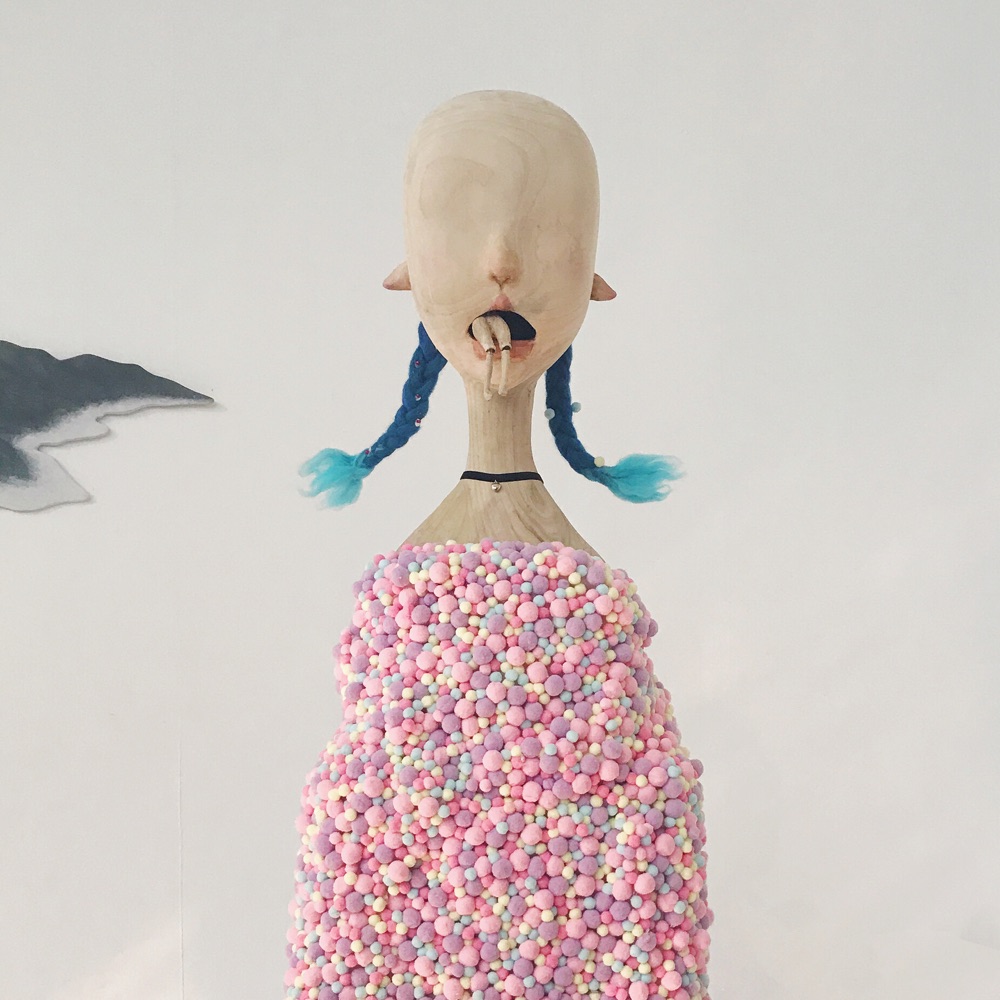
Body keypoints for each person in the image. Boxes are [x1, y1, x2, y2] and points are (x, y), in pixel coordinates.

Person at [287, 91, 711, 1000]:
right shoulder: (409, 599)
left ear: (591, 279)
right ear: (409, 271)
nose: (502, 261)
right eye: (461, 220)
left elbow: (646, 858)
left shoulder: (586, 601)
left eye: (544, 230)